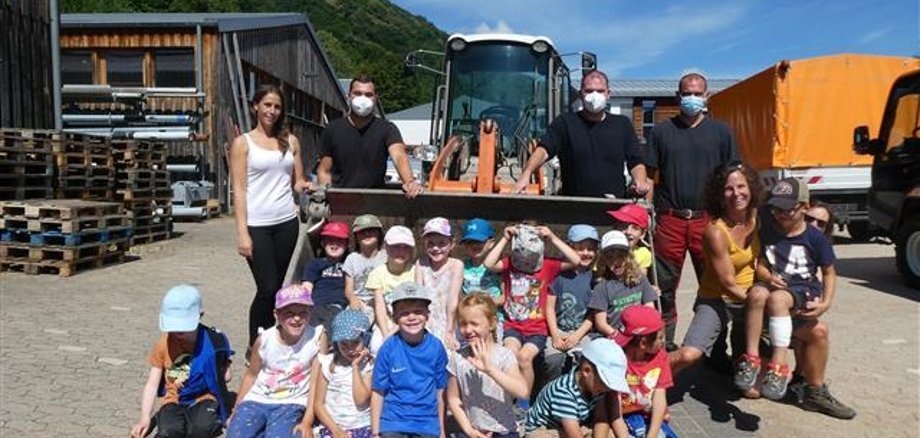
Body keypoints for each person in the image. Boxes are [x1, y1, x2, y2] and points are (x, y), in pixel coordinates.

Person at [737, 179, 852, 419]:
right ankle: (752, 359)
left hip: (799, 293)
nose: (780, 214)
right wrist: (767, 277)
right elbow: (760, 264)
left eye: (787, 209)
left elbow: (830, 272)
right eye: (776, 208)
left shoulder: (815, 239)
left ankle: (806, 385)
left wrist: (826, 303)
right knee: (751, 392)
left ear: (803, 206)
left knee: (814, 327)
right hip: (768, 308)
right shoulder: (767, 230)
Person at [645, 70, 740, 349]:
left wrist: (732, 219)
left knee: (715, 286)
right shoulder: (662, 132)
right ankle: (663, 347)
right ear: (678, 96)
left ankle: (715, 349)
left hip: (709, 221)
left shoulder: (721, 132)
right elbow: (649, 176)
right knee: (662, 287)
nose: (692, 98)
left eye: (697, 93)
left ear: (707, 96)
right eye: (687, 93)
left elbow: (733, 177)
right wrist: (646, 214)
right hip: (670, 220)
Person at [230, 85, 308, 349]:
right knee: (267, 288)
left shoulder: (291, 142)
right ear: (256, 106)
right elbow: (239, 190)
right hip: (257, 226)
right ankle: (255, 345)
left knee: (280, 289)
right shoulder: (243, 143)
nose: (272, 111)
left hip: (286, 223)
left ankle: (276, 342)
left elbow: (298, 183)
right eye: (267, 105)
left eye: (276, 106)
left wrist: (309, 188)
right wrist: (242, 232)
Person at [668, 161, 760, 377]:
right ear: (719, 196)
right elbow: (728, 285)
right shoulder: (715, 231)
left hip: (750, 298)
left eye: (741, 186)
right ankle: (645, 376)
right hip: (718, 298)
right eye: (728, 189)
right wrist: (761, 304)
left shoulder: (756, 217)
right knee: (688, 355)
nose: (736, 193)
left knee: (751, 391)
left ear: (751, 188)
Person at [513, 69, 651, 198]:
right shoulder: (565, 123)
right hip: (575, 206)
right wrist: (527, 173)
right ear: (580, 94)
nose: (595, 96)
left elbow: (636, 160)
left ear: (608, 94)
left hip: (614, 205)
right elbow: (543, 150)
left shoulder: (622, 124)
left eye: (600, 91)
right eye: (589, 91)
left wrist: (640, 181)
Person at [483, 224, 581, 396]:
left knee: (524, 358)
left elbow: (576, 260)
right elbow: (488, 263)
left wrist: (551, 237)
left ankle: (524, 398)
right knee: (510, 355)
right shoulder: (509, 265)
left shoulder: (547, 267)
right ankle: (509, 396)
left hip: (537, 328)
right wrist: (505, 238)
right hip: (512, 326)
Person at [130, 285, 233, 438]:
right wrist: (145, 417)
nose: (178, 333)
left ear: (201, 315)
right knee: (169, 432)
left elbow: (226, 377)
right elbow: (152, 383)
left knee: (201, 430)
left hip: (204, 398)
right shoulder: (163, 344)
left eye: (183, 327)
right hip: (174, 399)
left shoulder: (214, 342)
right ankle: (163, 417)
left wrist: (221, 367)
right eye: (174, 327)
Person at [228, 284, 322, 438]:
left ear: (310, 312)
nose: (297, 318)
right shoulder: (265, 339)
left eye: (302, 313)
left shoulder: (316, 338)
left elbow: (315, 383)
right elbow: (251, 375)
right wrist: (236, 410)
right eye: (289, 313)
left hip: (292, 401)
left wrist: (307, 421)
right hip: (257, 398)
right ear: (276, 314)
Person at [316, 75, 422, 198]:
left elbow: (399, 156)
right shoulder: (332, 129)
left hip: (375, 203)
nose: (363, 98)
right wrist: (326, 198)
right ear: (349, 96)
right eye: (357, 93)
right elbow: (324, 170)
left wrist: (409, 181)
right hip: (341, 203)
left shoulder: (387, 129)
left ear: (376, 98)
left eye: (368, 94)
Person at [371, 282, 449, 438]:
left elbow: (441, 390)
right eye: (404, 313)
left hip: (427, 422)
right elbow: (378, 391)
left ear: (427, 314)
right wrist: (375, 432)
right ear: (395, 318)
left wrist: (441, 430)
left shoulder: (436, 347)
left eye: (418, 311)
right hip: (393, 421)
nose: (412, 317)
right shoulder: (388, 348)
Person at [446, 293, 529, 438]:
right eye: (463, 324)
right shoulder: (457, 358)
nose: (468, 329)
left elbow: (522, 391)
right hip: (473, 430)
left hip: (503, 430)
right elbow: (453, 398)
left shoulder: (504, 355)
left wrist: (490, 369)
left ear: (492, 323)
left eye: (474, 324)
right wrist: (469, 430)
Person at [525, 338, 630, 438]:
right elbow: (574, 435)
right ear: (587, 371)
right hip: (547, 430)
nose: (608, 389)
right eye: (606, 382)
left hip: (576, 427)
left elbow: (601, 419)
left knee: (608, 434)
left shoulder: (598, 388)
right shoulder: (563, 392)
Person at [544, 224, 599, 380]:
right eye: (580, 248)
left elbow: (593, 313)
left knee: (586, 360)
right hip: (557, 330)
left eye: (590, 249)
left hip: (582, 332)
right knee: (553, 360)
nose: (586, 253)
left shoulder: (595, 279)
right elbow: (549, 307)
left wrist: (577, 336)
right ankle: (550, 393)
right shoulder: (559, 276)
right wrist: (554, 335)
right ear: (569, 247)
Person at [613, 306, 677, 438]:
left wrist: (652, 435)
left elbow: (659, 397)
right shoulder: (615, 358)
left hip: (647, 415)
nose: (663, 342)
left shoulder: (661, 357)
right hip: (618, 417)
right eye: (660, 338)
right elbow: (612, 406)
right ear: (643, 343)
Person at [314, 309, 374, 438]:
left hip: (363, 426)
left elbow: (361, 399)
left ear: (364, 339)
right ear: (337, 344)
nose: (350, 349)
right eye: (344, 345)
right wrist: (336, 430)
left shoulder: (369, 365)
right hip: (333, 427)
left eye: (355, 343)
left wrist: (355, 367)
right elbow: (318, 404)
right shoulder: (328, 363)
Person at [589, 231, 657, 339]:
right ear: (604, 260)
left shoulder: (640, 279)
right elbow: (601, 323)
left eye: (620, 256)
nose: (616, 261)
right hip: (615, 334)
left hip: (640, 331)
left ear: (628, 257)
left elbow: (650, 308)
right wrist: (618, 336)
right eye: (610, 257)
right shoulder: (602, 286)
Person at [415, 217, 464, 349]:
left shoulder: (456, 265)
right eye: (430, 243)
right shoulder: (421, 263)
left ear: (451, 244)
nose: (436, 248)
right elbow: (419, 297)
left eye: (442, 243)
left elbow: (453, 300)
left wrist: (449, 331)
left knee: (447, 348)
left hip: (449, 319)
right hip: (426, 318)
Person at [302, 221, 350, 352]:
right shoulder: (315, 264)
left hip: (337, 305)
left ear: (346, 244)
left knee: (332, 324)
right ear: (323, 244)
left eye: (339, 241)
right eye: (330, 240)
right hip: (316, 304)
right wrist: (304, 304)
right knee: (311, 326)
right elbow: (307, 286)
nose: (334, 244)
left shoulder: (349, 264)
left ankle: (325, 353)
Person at [366, 226, 417, 344]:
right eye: (396, 247)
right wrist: (385, 333)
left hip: (412, 319)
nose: (401, 251)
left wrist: (398, 327)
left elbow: (416, 304)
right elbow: (379, 306)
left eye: (406, 247)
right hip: (388, 320)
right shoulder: (377, 273)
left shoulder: (416, 271)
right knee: (377, 346)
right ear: (386, 248)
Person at [459, 218, 504, 340]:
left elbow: (506, 297)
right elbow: (460, 296)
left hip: (494, 319)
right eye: (469, 242)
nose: (474, 245)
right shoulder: (462, 267)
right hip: (470, 320)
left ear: (491, 243)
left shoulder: (499, 267)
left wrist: (484, 304)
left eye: (479, 241)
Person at [343, 214, 388, 321]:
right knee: (347, 325)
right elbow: (349, 288)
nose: (367, 234)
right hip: (359, 301)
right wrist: (353, 299)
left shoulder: (386, 257)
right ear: (356, 236)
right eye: (362, 232)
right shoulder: (352, 259)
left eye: (371, 230)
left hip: (381, 301)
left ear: (379, 234)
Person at [607, 204, 653, 274]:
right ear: (615, 228)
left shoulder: (643, 253)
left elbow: (642, 281)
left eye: (635, 228)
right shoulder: (605, 251)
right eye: (623, 225)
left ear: (642, 234)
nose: (628, 232)